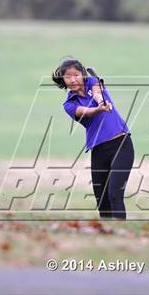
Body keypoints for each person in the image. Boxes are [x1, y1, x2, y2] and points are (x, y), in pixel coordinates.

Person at [52, 57, 134, 220]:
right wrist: (99, 109)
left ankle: (120, 230)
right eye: (68, 77)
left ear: (82, 74)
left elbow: (97, 92)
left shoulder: (92, 81)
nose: (73, 79)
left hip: (121, 144)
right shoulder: (69, 104)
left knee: (114, 193)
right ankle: (108, 232)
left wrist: (100, 101)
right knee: (102, 200)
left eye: (75, 75)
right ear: (63, 80)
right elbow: (85, 112)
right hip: (98, 151)